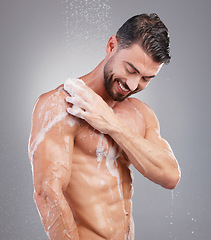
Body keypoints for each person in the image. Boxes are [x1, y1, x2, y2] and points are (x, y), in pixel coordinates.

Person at [28, 13, 181, 240]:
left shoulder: (139, 113)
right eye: (130, 69)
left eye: (145, 79)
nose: (132, 84)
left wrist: (112, 125)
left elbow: (170, 176)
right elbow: (47, 194)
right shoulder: (60, 106)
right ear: (112, 45)